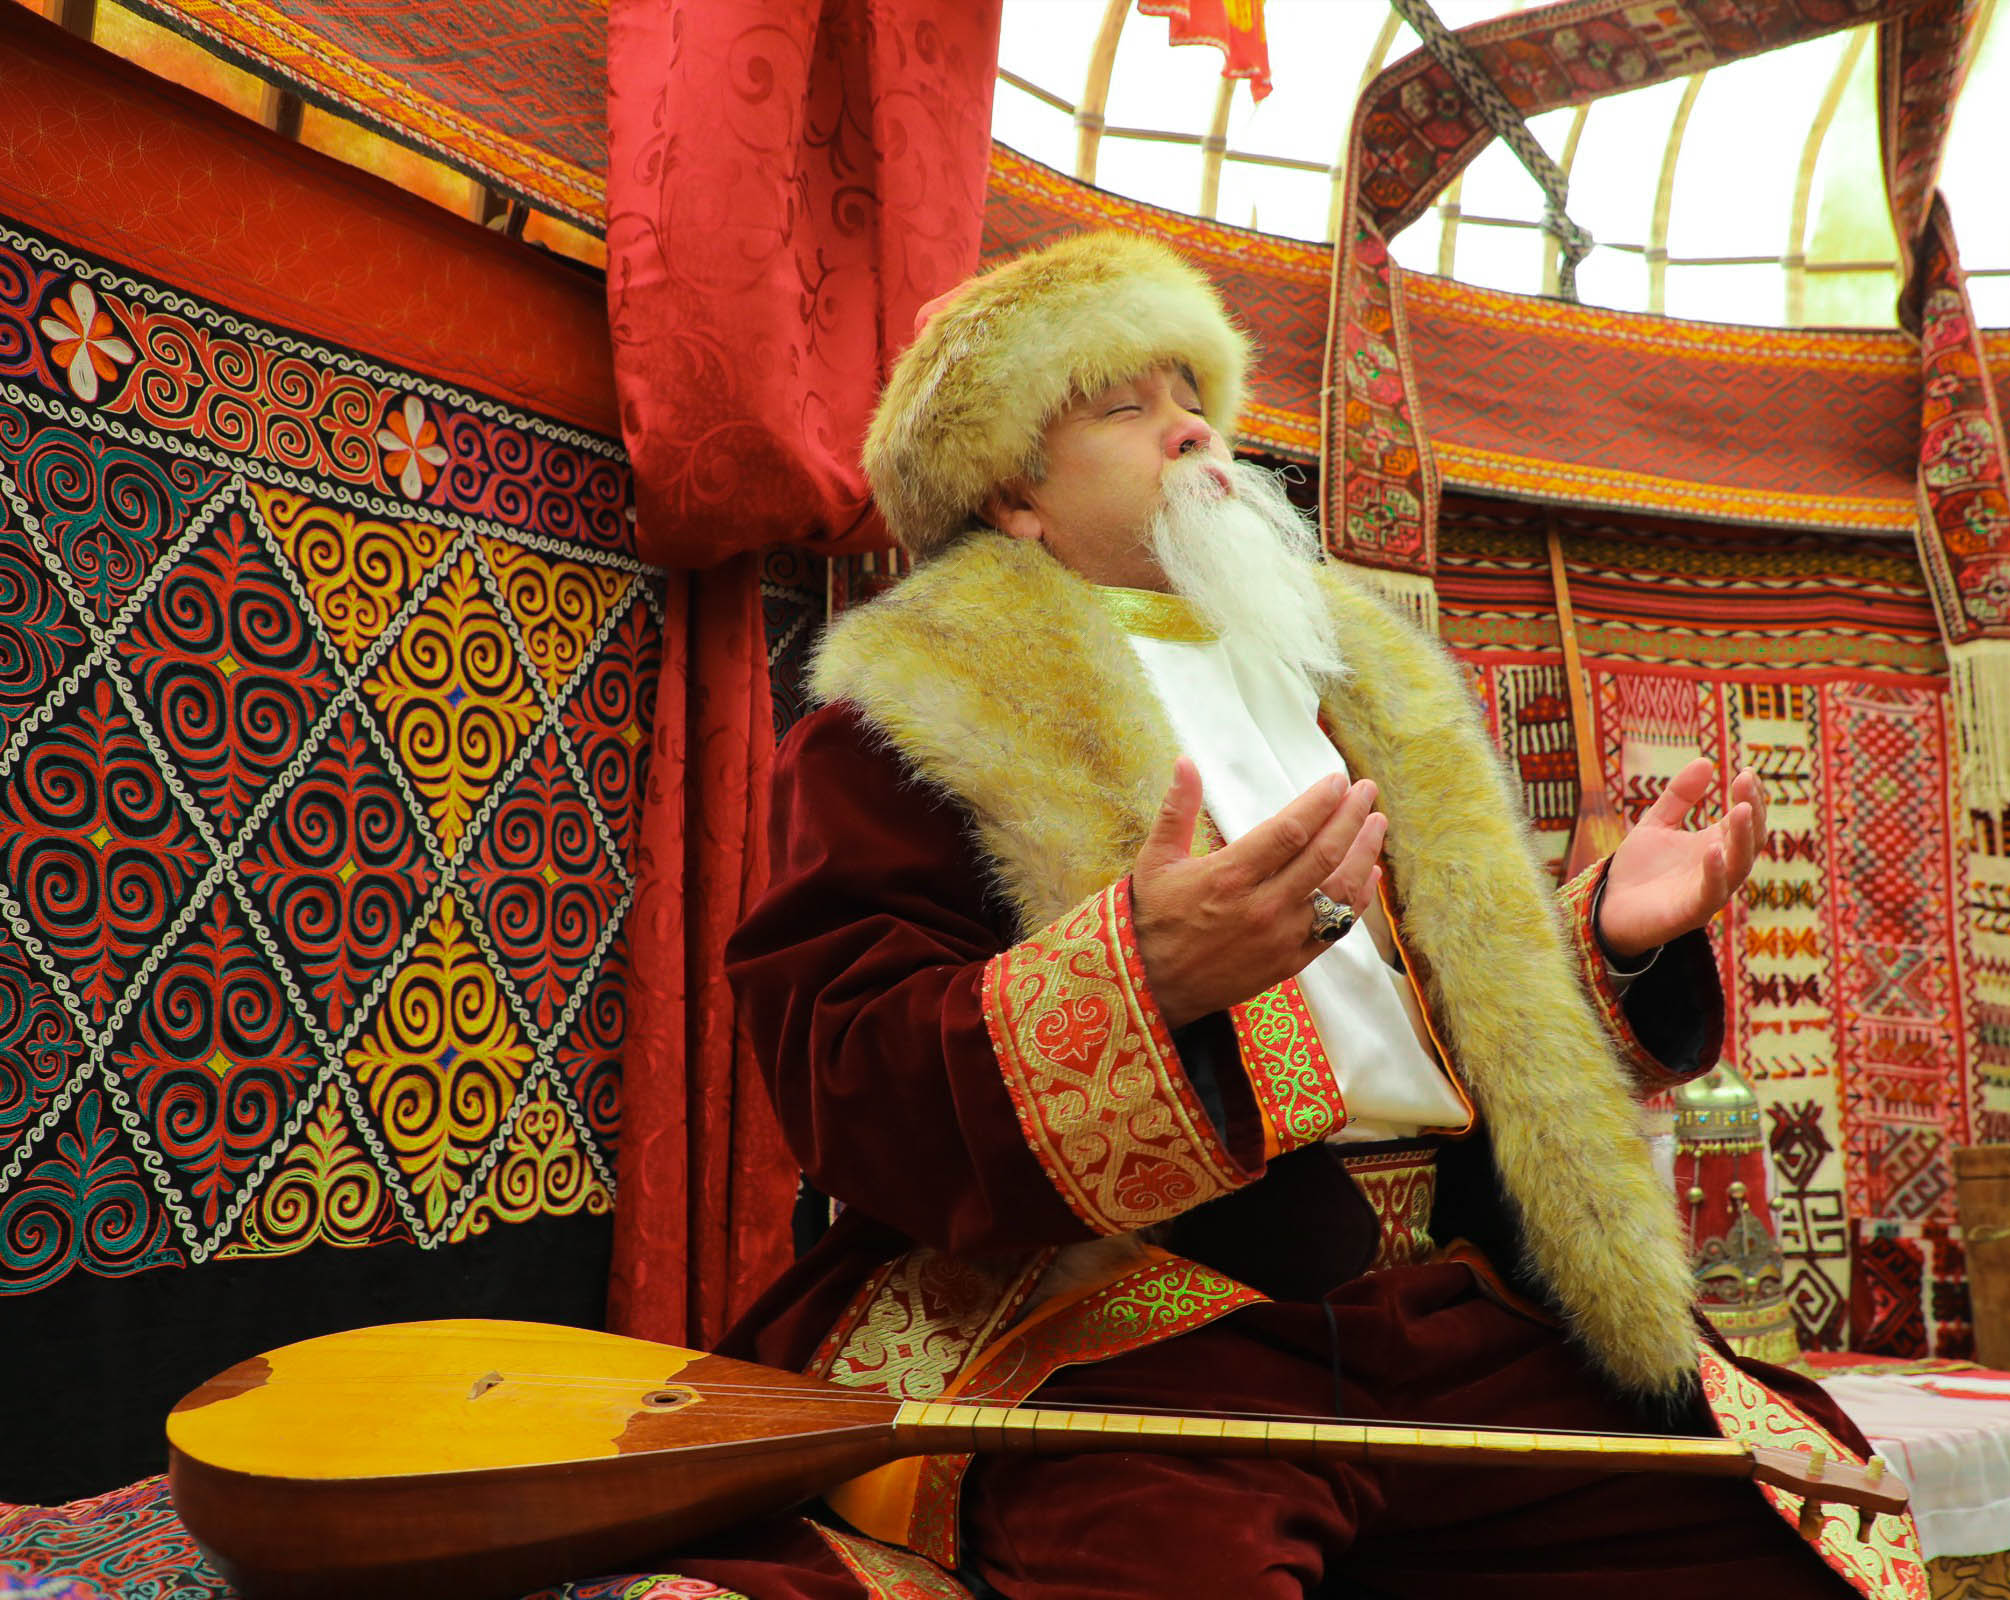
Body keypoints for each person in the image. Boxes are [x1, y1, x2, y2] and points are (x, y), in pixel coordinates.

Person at [672, 231, 1925, 1599]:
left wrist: (1606, 943)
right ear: (1015, 494)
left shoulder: (1347, 687)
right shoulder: (910, 723)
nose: (1191, 428)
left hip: (1437, 1303)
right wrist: (1140, 980)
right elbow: (845, 1067)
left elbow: (1418, 1032)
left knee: (1799, 1525)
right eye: (1126, 406)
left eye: (1193, 395)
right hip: (1133, 1327)